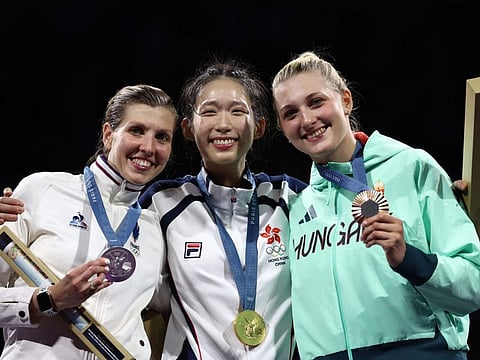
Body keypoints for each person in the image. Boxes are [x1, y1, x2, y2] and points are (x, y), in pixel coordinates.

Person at [271, 51, 480, 360]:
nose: (306, 120)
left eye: (316, 102)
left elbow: (473, 284)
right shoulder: (298, 207)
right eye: (290, 113)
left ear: (345, 100)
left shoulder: (411, 167)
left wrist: (411, 259)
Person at [139, 58, 307, 359]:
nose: (223, 124)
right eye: (210, 111)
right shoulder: (162, 204)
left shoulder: (291, 198)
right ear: (189, 128)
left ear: (258, 126)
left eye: (237, 110)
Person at [0, 84, 175, 359]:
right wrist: (47, 300)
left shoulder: (155, 228)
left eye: (162, 137)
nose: (148, 147)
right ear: (108, 134)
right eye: (136, 130)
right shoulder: (43, 190)